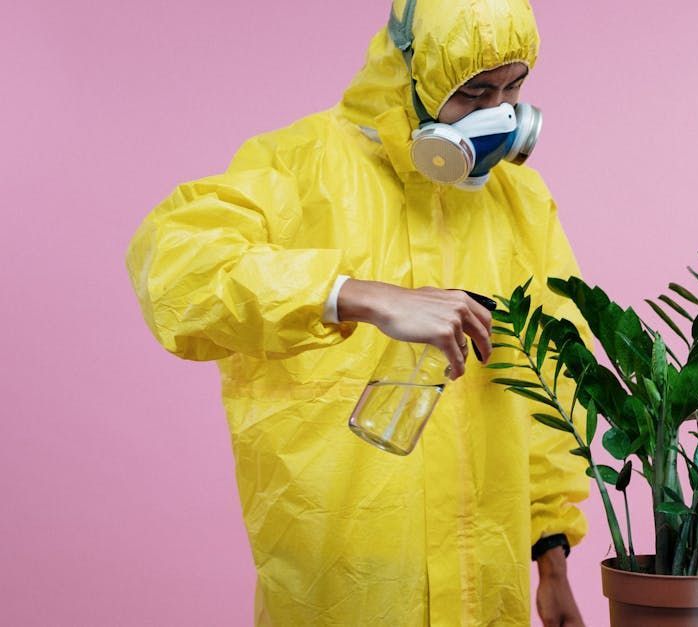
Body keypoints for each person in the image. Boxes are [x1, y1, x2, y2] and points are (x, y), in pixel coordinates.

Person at [125, 1, 591, 624]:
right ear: (410, 70)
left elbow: (549, 388)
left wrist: (551, 561)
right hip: (343, 585)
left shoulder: (520, 202)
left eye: (513, 89)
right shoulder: (300, 165)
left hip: (487, 590)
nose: (496, 116)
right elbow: (174, 267)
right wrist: (359, 296)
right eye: (473, 92)